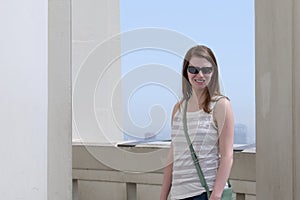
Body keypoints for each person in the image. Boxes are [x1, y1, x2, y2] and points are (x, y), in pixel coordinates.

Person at [160, 45, 234, 200]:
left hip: (204, 193)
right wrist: (163, 196)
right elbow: (172, 156)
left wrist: (216, 195)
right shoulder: (179, 108)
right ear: (186, 72)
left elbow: (227, 155)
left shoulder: (220, 105)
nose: (200, 75)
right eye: (193, 70)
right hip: (177, 195)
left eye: (206, 70)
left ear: (213, 73)